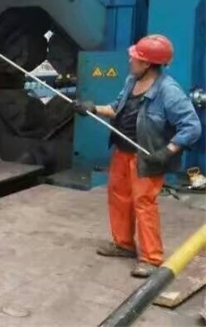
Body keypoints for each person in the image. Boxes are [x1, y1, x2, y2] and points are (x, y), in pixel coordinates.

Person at [72, 34, 202, 278]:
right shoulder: (132, 80)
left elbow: (192, 127)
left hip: (147, 156)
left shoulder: (169, 91)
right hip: (123, 151)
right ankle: (123, 244)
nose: (130, 60)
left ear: (147, 64)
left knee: (144, 203)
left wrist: (167, 151)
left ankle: (151, 258)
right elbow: (116, 108)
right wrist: (92, 108)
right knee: (119, 196)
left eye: (135, 58)